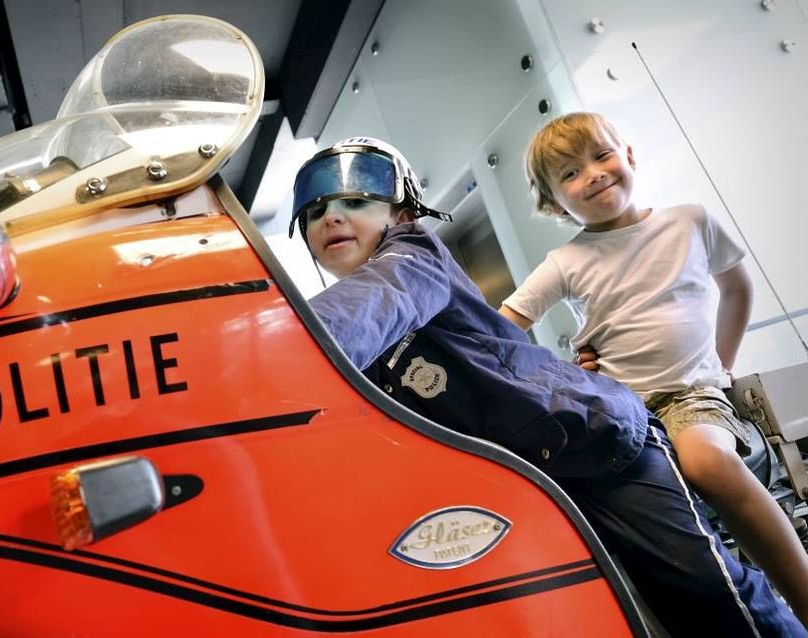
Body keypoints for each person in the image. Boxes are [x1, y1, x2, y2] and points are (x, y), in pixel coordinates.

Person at [290, 136, 805, 637]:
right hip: (528, 491)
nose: (331, 217)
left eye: (355, 202)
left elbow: (367, 309)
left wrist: (274, 354)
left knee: (707, 593)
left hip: (599, 446)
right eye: (314, 214)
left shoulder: (412, 257)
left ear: (402, 215)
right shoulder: (362, 345)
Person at [498, 111, 808, 627]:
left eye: (602, 156)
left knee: (707, 463)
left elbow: (737, 289)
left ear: (630, 156)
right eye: (571, 173)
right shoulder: (565, 261)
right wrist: (564, 375)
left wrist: (721, 368)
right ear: (555, 203)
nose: (593, 173)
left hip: (690, 396)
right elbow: (502, 327)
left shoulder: (689, 220)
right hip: (620, 412)